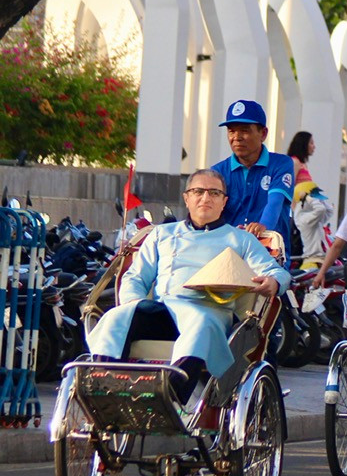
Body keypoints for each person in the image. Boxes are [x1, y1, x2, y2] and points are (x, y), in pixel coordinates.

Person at [86, 170, 289, 404]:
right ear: (187, 198)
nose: (206, 198)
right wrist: (133, 303)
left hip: (208, 312)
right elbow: (135, 277)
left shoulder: (241, 239)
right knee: (116, 317)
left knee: (199, 324)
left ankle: (168, 397)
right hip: (161, 311)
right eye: (198, 191)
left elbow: (276, 272)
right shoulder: (161, 234)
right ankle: (102, 391)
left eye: (214, 193)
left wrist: (273, 282)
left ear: (224, 201)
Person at [210, 99, 295, 257]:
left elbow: (275, 203)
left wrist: (263, 227)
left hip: (269, 254)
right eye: (231, 131)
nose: (237, 137)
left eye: (244, 130)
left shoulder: (281, 164)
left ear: (263, 133)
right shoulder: (217, 172)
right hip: (228, 255)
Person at [293, 179, 333, 264]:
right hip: (312, 262)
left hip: (320, 260)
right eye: (315, 198)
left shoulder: (315, 220)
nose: (317, 201)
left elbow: (329, 211)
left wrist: (321, 200)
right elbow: (321, 209)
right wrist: (307, 197)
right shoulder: (303, 219)